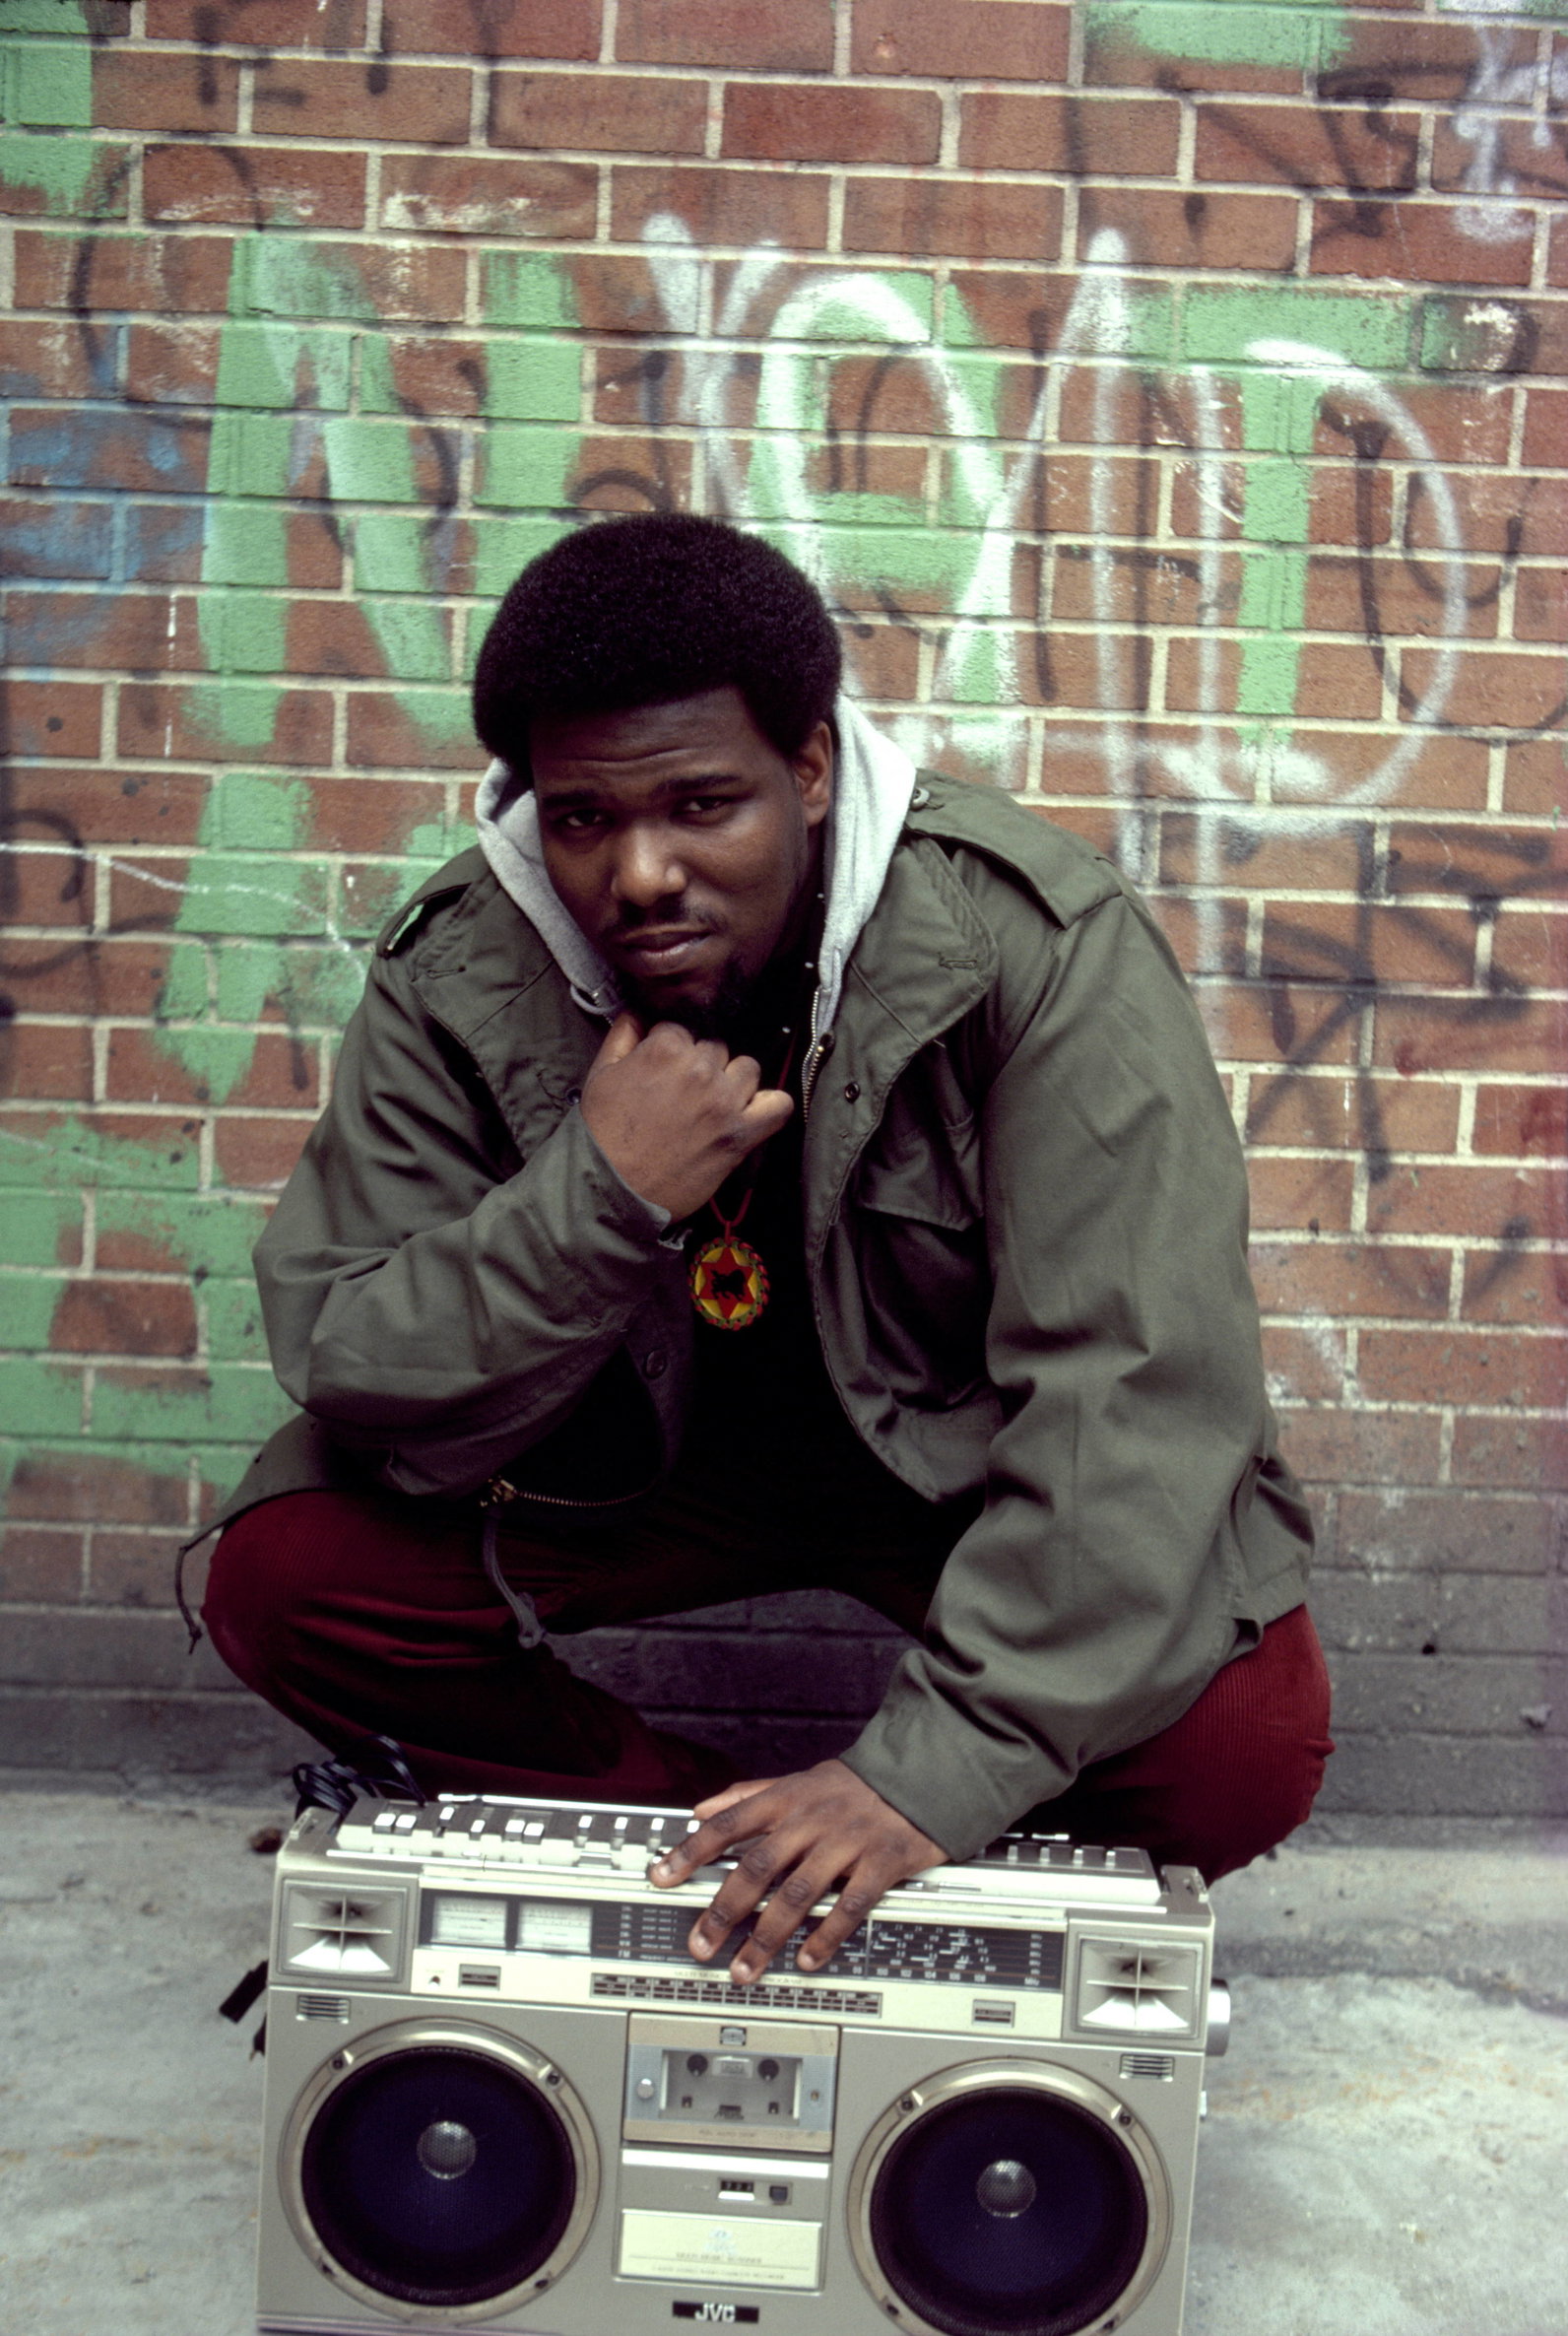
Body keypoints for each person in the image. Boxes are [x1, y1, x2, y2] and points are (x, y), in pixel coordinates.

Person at [199, 513, 1331, 1987]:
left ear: (806, 768)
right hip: (632, 1475)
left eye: (702, 804)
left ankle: (893, 1829)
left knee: (1241, 1748)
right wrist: (601, 1190)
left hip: (955, 1473)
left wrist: (931, 1770)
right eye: (585, 818)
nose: (642, 874)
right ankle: (708, 1845)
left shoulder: (1033, 948)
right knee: (290, 1575)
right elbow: (351, 1352)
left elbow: (1138, 1395)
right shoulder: (465, 965)